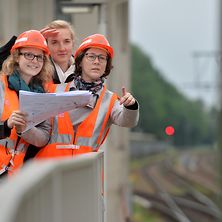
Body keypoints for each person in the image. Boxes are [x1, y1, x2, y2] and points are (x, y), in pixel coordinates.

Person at [35, 33, 139, 158]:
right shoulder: (54, 91)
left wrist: (131, 106)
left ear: (106, 64)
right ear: (80, 62)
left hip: (84, 171)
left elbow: (127, 121)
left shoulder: (110, 101)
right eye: (91, 56)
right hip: (52, 170)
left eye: (102, 58)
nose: (96, 61)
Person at [0, 30, 53, 176]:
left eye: (39, 57)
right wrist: (6, 126)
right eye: (29, 55)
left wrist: (25, 129)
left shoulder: (42, 94)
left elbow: (43, 138)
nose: (35, 61)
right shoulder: (1, 86)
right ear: (17, 57)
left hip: (15, 176)